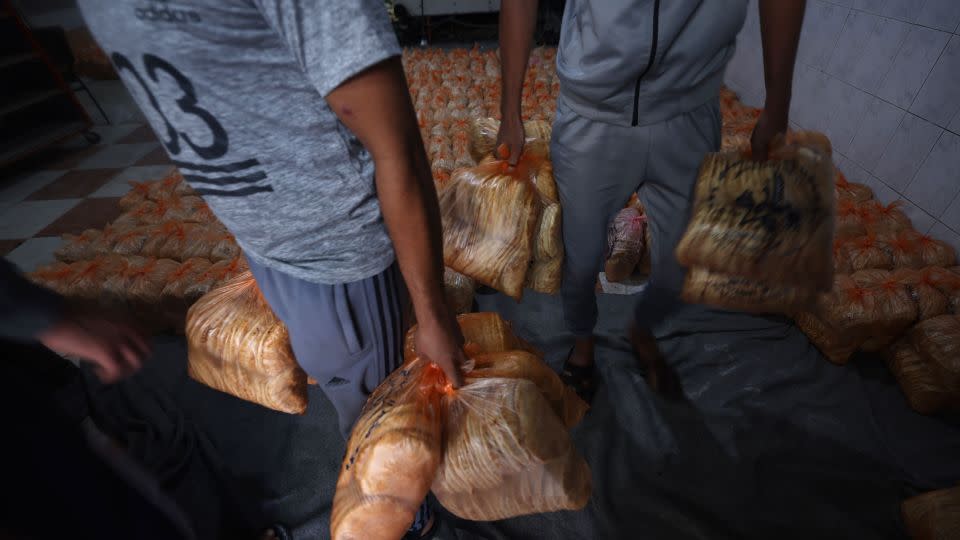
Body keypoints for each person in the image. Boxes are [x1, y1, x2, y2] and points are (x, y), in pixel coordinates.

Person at [76, 0, 466, 536]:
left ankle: (405, 512)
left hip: (337, 254)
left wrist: (433, 312)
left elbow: (396, 146)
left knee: (380, 412)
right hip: (270, 246)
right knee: (347, 390)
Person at [497, 0, 806, 402]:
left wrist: (778, 104)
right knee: (582, 259)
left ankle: (643, 329)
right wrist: (509, 112)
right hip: (594, 115)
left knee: (678, 260)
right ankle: (584, 343)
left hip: (689, 112)